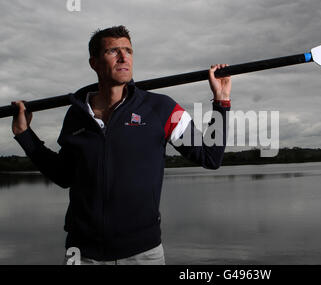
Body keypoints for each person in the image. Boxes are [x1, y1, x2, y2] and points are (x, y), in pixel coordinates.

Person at [11, 25, 231, 265]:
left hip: (143, 254)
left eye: (128, 50)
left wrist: (221, 101)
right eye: (113, 51)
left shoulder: (161, 109)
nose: (124, 57)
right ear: (94, 62)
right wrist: (25, 135)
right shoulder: (76, 115)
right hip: (82, 254)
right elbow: (64, 176)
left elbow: (210, 157)